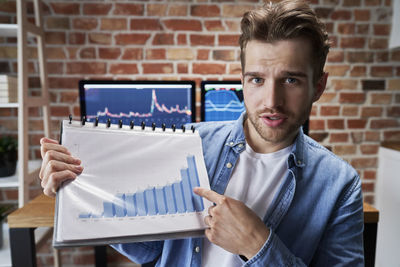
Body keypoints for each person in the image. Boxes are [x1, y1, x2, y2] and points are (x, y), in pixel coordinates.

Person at [39, 0, 364, 266]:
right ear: (242, 79)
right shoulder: (188, 143)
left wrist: (258, 245)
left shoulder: (340, 184)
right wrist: (78, 191)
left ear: (318, 85)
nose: (271, 102)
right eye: (257, 80)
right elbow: (148, 251)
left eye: (291, 80)